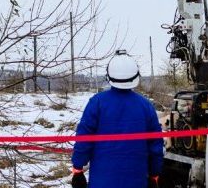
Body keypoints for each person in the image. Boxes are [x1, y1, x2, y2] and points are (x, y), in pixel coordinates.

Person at [70, 50, 163, 188]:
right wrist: (154, 173)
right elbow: (155, 145)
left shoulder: (97, 103)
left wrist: (78, 169)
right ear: (136, 76)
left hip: (102, 181)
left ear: (109, 75)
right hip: (137, 180)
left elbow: (84, 137)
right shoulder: (146, 106)